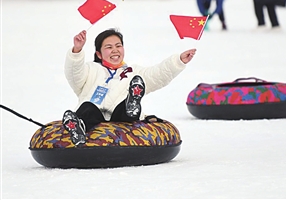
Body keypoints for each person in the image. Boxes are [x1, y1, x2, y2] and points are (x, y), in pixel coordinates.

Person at [62, 28, 196, 145]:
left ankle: (132, 103)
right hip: (94, 116)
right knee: (87, 107)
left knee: (125, 107)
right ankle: (77, 127)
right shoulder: (90, 69)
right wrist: (77, 50)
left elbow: (157, 75)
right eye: (108, 47)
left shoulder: (133, 72)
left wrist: (178, 61)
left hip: (122, 118)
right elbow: (74, 73)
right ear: (99, 54)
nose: (115, 50)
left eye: (118, 46)